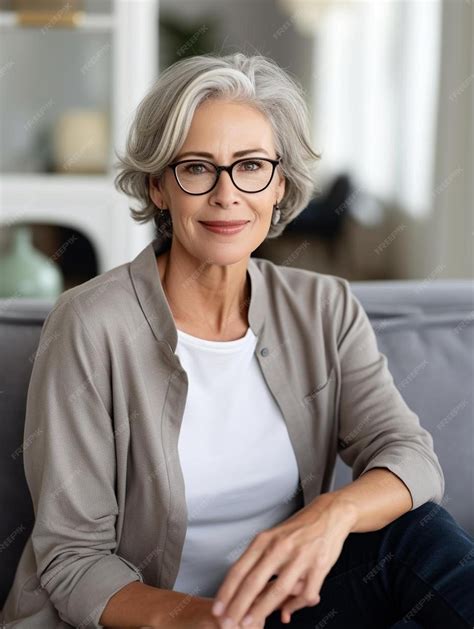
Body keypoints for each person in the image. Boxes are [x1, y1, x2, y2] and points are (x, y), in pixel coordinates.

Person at [1, 52, 473, 629]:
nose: (227, 194)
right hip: (146, 620)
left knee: (420, 534)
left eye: (250, 166)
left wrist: (332, 513)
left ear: (279, 185)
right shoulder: (90, 324)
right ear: (158, 186)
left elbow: (412, 457)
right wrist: (205, 621)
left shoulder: (323, 307)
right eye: (197, 168)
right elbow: (74, 561)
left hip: (275, 611)